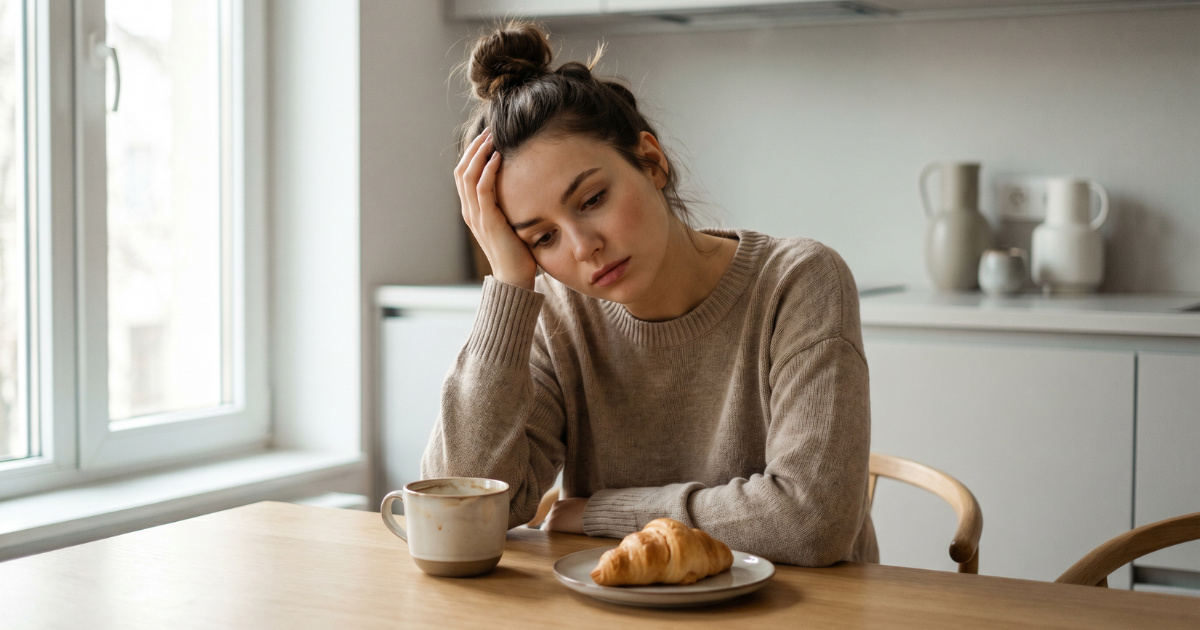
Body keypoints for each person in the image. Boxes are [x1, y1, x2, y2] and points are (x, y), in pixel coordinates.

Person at [421, 21, 878, 566]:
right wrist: (508, 288)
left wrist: (602, 512)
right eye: (543, 238)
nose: (584, 247)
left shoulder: (798, 281)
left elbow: (811, 522)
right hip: (615, 602)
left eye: (592, 199)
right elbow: (457, 507)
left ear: (652, 162)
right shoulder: (558, 319)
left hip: (805, 604)